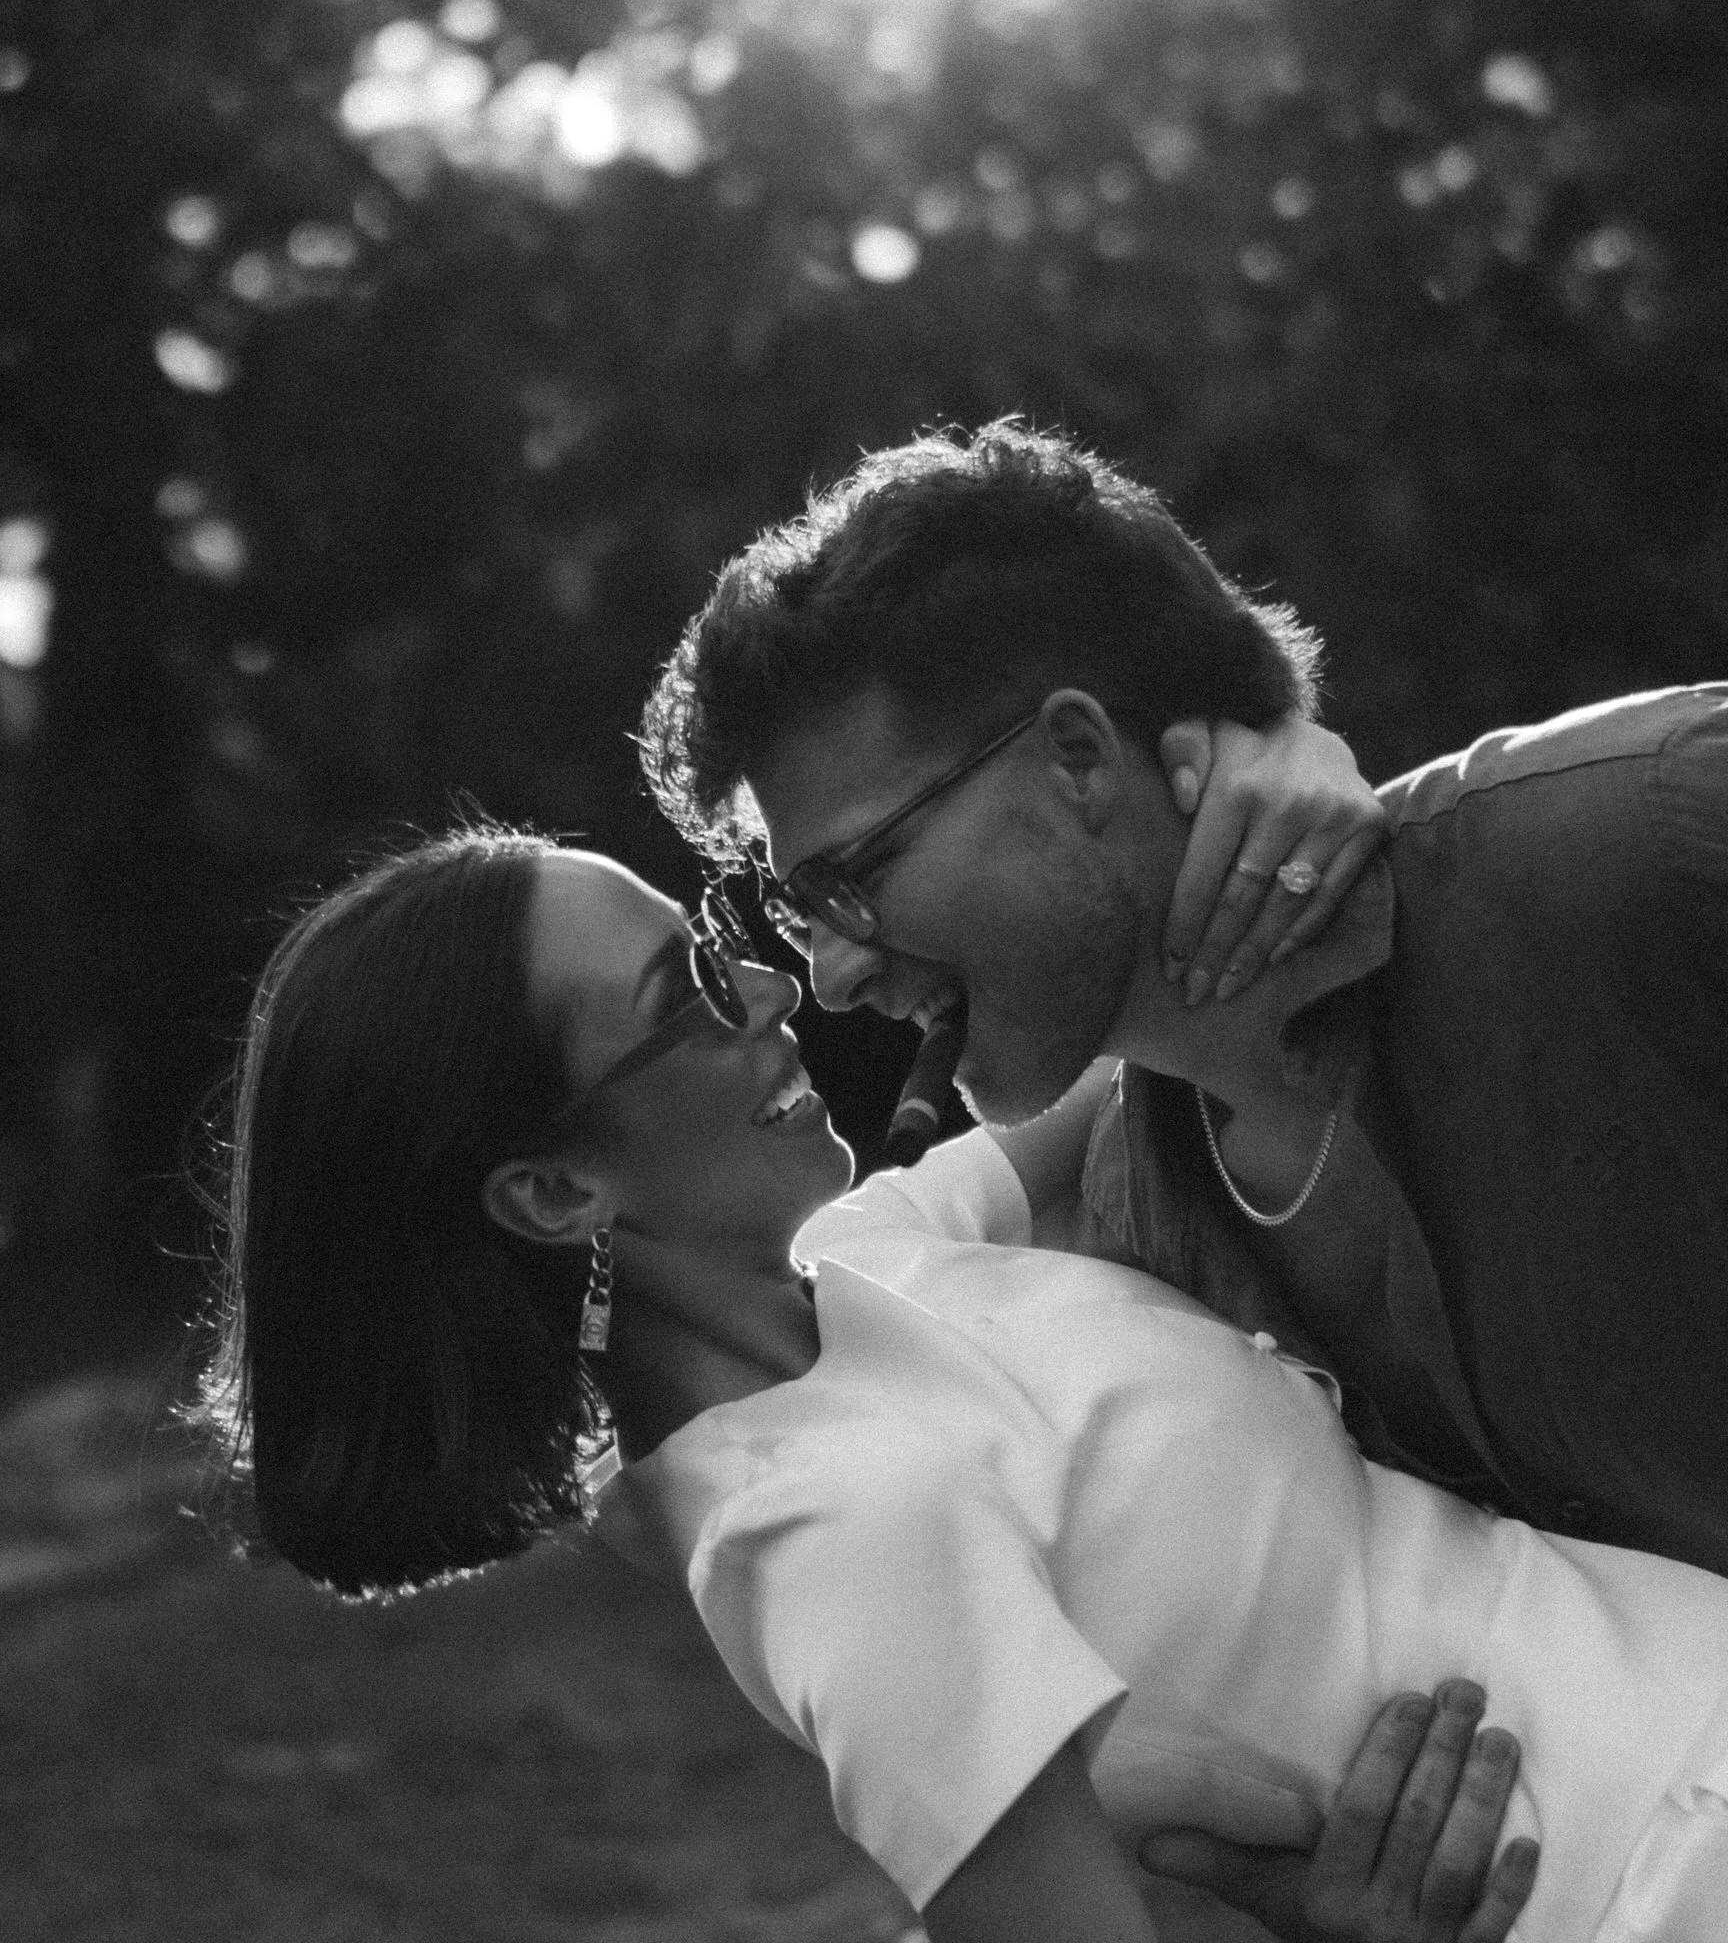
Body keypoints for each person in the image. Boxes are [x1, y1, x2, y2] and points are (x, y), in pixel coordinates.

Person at [195, 830, 1728, 1943]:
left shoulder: (871, 1256)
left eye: (721, 932)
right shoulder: (824, 1530)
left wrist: (1278, 770)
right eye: (688, 998)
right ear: (551, 1197)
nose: (769, 992)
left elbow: (1142, 1016)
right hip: (1646, 1871)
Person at [637, 421, 1728, 1585]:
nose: (839, 976)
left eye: (851, 880)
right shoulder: (1134, 1244)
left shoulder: (1646, 846)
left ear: (1077, 759)